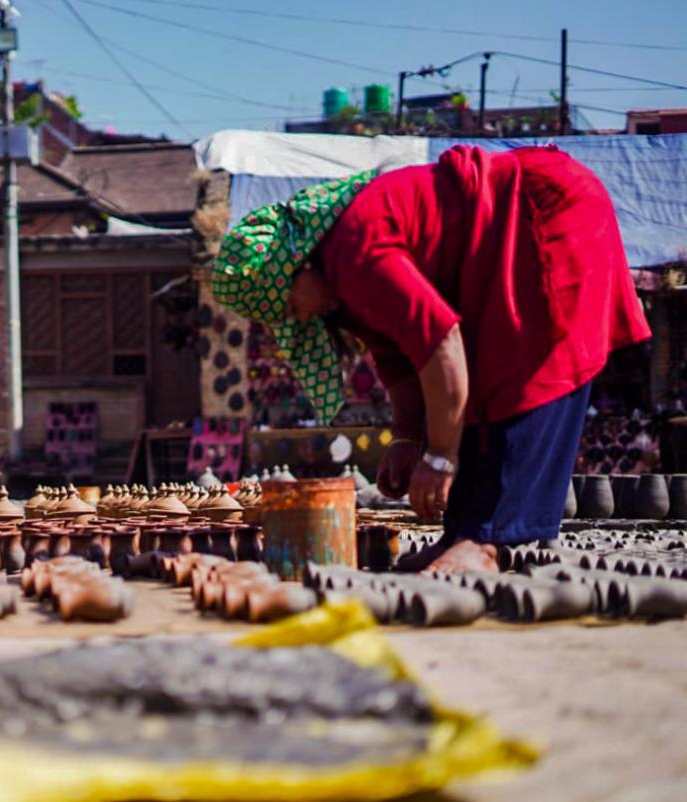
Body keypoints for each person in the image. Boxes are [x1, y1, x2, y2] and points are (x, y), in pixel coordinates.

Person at [214, 144, 650, 573]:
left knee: (522, 372)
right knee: (474, 389)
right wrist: (407, 438)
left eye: (291, 306)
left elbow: (441, 343)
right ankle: (463, 532)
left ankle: (486, 542)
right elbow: (399, 358)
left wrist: (440, 457)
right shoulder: (340, 282)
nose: (301, 317)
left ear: (297, 267)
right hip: (498, 246)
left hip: (544, 214)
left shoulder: (354, 253)